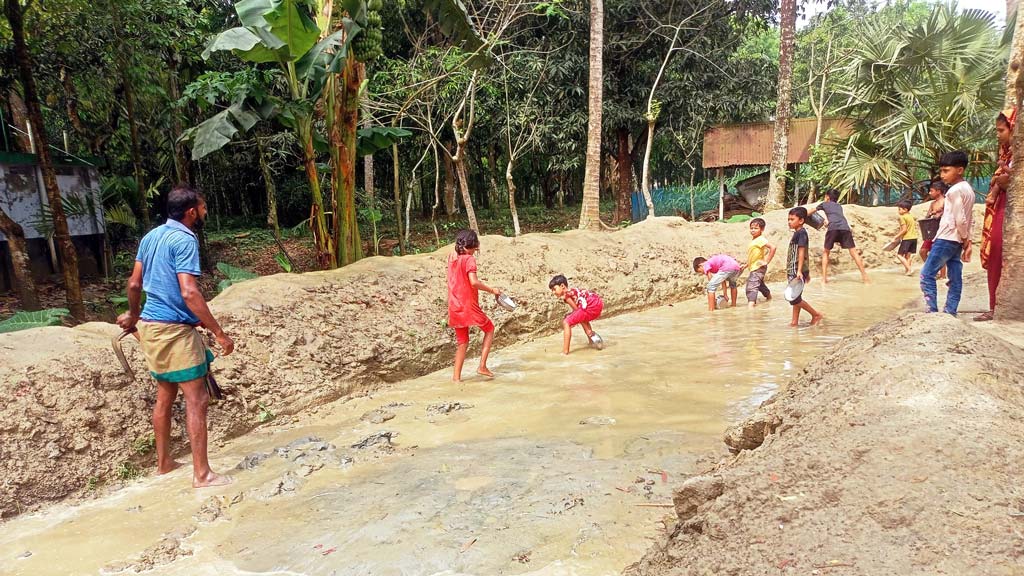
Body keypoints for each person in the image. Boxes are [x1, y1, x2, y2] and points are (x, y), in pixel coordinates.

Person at [117, 185, 234, 489]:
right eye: (204, 206)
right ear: (191, 211)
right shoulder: (185, 239)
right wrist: (218, 332)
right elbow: (189, 291)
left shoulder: (151, 237)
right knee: (197, 400)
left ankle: (164, 463)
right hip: (175, 331)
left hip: (151, 329)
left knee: (165, 395)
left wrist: (133, 315)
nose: (205, 211)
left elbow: (133, 283)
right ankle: (202, 474)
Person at [920, 150, 975, 316]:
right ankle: (950, 311)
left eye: (946, 170)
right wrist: (967, 240)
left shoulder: (954, 191)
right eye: (941, 170)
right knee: (955, 276)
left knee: (926, 274)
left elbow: (960, 218)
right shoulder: (968, 190)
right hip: (956, 240)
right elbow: (969, 218)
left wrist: (966, 238)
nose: (942, 175)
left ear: (959, 170)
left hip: (946, 238)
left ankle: (932, 311)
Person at [447, 229, 501, 382]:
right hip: (467, 305)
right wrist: (493, 290)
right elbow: (474, 282)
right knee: (489, 329)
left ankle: (456, 379)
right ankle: (482, 366)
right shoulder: (469, 259)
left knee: (462, 342)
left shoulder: (452, 257)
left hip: (454, 305)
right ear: (474, 245)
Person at [976, 108, 1015, 322]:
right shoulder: (1006, 156)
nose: (997, 135)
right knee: (995, 256)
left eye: (1001, 130)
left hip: (1009, 211)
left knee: (1000, 253)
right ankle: (994, 304)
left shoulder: (1015, 157)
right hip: (1001, 207)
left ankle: (997, 306)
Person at [807, 189, 870, 284]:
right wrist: (827, 221)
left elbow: (811, 211)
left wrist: (802, 215)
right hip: (845, 228)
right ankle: (865, 277)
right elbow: (835, 216)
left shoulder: (824, 204)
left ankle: (824, 279)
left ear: (827, 197)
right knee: (854, 252)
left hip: (833, 228)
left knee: (826, 252)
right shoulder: (839, 206)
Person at [786, 207, 823, 327]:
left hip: (796, 269)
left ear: (801, 220)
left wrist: (800, 271)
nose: (789, 222)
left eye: (792, 219)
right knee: (796, 296)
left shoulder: (801, 233)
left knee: (794, 299)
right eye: (788, 219)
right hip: (796, 269)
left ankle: (815, 314)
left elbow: (802, 252)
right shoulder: (798, 233)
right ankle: (794, 321)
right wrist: (806, 271)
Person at [549, 274, 604, 354]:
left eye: (554, 289)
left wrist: (587, 329)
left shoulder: (566, 295)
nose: (553, 292)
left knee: (566, 322)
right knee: (579, 316)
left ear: (562, 286)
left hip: (590, 306)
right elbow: (580, 314)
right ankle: (591, 341)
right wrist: (588, 330)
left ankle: (565, 352)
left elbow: (577, 310)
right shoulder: (573, 291)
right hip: (597, 303)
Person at [741, 217, 776, 307]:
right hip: (754, 266)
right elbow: (754, 256)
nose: (753, 230)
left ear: (762, 229)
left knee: (751, 286)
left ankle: (751, 307)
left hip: (758, 267)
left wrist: (767, 261)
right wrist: (746, 265)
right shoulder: (754, 240)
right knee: (759, 285)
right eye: (751, 228)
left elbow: (773, 247)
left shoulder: (760, 239)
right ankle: (769, 297)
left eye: (756, 228)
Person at [918, 180, 948, 272]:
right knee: (923, 251)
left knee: (940, 254)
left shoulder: (946, 201)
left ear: (938, 191)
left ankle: (943, 274)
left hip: (942, 231)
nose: (929, 193)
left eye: (931, 191)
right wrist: (930, 215)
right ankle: (932, 269)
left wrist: (940, 213)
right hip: (932, 231)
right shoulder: (932, 203)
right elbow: (927, 216)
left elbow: (949, 213)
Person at [893, 200, 919, 276]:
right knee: (908, 256)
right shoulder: (910, 216)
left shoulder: (902, 217)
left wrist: (896, 236)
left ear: (905, 210)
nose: (898, 211)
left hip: (907, 238)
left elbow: (904, 230)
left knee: (899, 255)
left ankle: (909, 269)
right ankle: (907, 271)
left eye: (899, 209)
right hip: (914, 238)